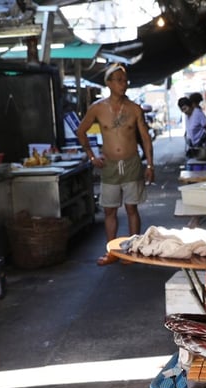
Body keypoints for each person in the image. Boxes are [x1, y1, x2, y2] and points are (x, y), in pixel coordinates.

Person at [77, 63, 156, 267]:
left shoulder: (134, 108)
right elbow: (81, 131)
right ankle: (112, 251)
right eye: (119, 80)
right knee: (109, 210)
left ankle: (134, 250)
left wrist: (150, 165)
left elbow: (145, 138)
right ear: (109, 83)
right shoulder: (97, 108)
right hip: (110, 166)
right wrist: (92, 156)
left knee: (132, 208)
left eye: (125, 80)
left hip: (131, 164)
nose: (124, 84)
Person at [178, 95, 206, 159]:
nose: (184, 111)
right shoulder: (187, 116)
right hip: (193, 146)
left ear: (190, 106)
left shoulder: (197, 113)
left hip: (202, 146)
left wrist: (204, 137)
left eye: (185, 108)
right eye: (182, 110)